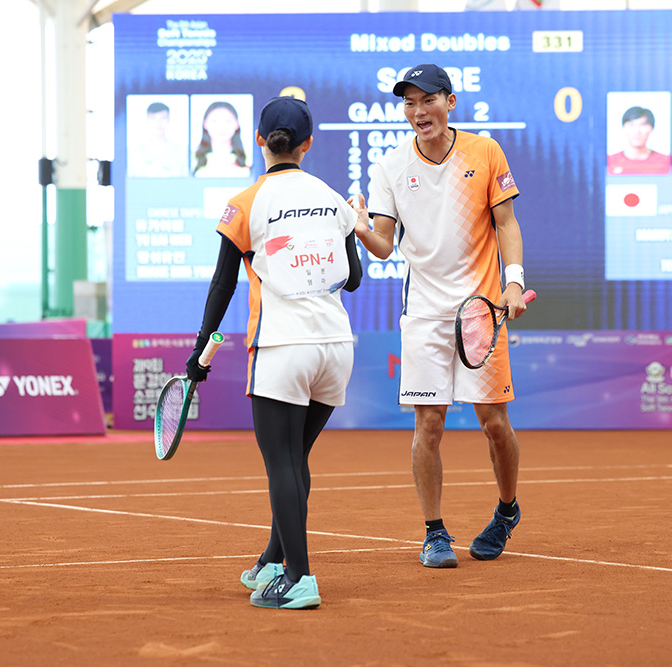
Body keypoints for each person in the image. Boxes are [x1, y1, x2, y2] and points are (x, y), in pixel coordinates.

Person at [185, 96, 363, 609]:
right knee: (294, 458)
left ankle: (300, 578)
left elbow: (223, 284)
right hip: (336, 349)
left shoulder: (245, 202)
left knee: (282, 463)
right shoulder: (332, 197)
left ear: (260, 141)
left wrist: (201, 349)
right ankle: (270, 561)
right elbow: (352, 279)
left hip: (284, 346)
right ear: (308, 144)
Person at [354, 63, 529, 569]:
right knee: (428, 424)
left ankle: (507, 510)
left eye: (427, 100)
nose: (418, 111)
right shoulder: (389, 166)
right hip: (424, 313)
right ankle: (434, 532)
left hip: (480, 309)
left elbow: (506, 223)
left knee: (494, 423)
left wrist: (513, 282)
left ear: (449, 102)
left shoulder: (485, 151)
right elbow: (383, 244)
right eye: (409, 103)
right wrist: (361, 228)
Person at [128, 101, 188, 178]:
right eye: (154, 118)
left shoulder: (181, 151)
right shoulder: (135, 152)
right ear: (148, 120)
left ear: (168, 120)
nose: (158, 123)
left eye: (163, 118)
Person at [193, 101, 251, 178]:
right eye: (215, 121)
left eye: (227, 121)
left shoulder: (249, 159)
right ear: (205, 124)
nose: (221, 127)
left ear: (237, 124)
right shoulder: (193, 159)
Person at [607, 106, 671, 175]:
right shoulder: (609, 162)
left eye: (643, 125)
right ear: (624, 128)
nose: (637, 131)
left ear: (652, 128)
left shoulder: (667, 162)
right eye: (631, 125)